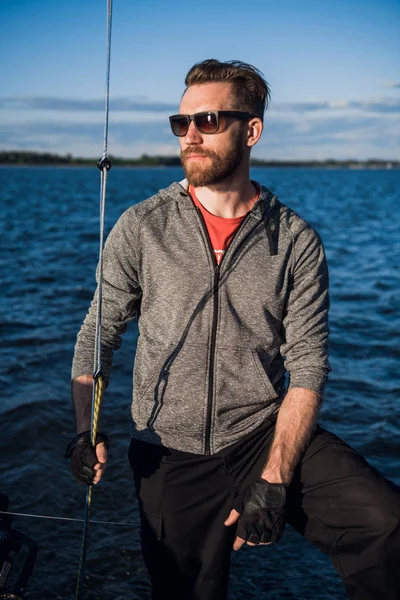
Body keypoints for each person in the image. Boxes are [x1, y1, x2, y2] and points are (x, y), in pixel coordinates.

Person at [67, 59, 400, 600]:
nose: (191, 135)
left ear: (252, 130)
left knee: (384, 523)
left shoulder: (295, 240)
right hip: (170, 452)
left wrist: (274, 477)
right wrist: (85, 430)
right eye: (182, 123)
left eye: (209, 120)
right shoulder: (143, 226)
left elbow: (309, 366)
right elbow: (96, 337)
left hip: (263, 432)